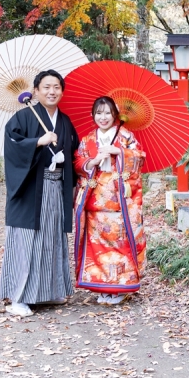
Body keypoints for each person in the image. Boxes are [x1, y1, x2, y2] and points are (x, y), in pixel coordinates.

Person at [0, 69, 80, 317]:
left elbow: (75, 153)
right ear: (35, 91)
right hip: (30, 190)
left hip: (56, 189)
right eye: (46, 87)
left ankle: (46, 292)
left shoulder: (65, 122)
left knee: (51, 240)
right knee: (27, 242)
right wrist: (36, 142)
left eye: (56, 87)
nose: (52, 91)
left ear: (62, 91)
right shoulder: (22, 118)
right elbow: (12, 147)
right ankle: (18, 298)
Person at [73, 96, 146, 304]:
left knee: (120, 243)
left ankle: (121, 288)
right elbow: (77, 162)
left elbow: (140, 157)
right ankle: (104, 286)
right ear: (93, 115)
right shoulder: (88, 140)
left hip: (120, 201)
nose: (103, 117)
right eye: (98, 112)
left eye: (107, 113)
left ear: (115, 115)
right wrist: (91, 161)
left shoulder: (125, 136)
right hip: (96, 202)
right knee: (98, 246)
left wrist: (119, 152)